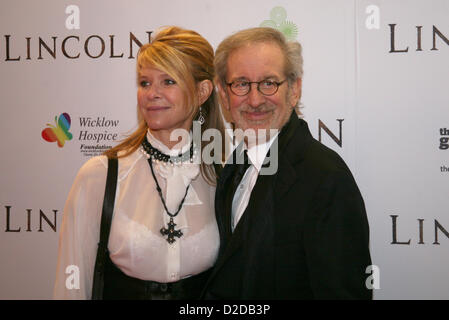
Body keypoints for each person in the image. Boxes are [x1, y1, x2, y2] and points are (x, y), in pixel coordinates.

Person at [53, 26, 225, 300]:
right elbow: (72, 286)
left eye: (168, 81)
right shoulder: (100, 175)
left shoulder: (222, 175)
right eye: (145, 83)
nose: (152, 93)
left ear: (202, 91)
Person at [201, 27, 372, 299]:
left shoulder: (326, 178)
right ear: (223, 95)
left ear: (294, 90)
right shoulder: (232, 168)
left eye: (269, 83)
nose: (255, 100)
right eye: (242, 84)